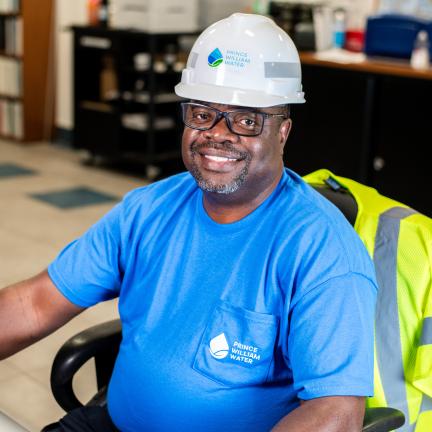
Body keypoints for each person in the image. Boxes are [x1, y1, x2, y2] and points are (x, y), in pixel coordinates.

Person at [0, 13, 377, 432]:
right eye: (202, 114)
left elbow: (337, 414)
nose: (218, 133)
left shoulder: (322, 250)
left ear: (283, 132)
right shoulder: (147, 209)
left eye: (247, 119)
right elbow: (33, 304)